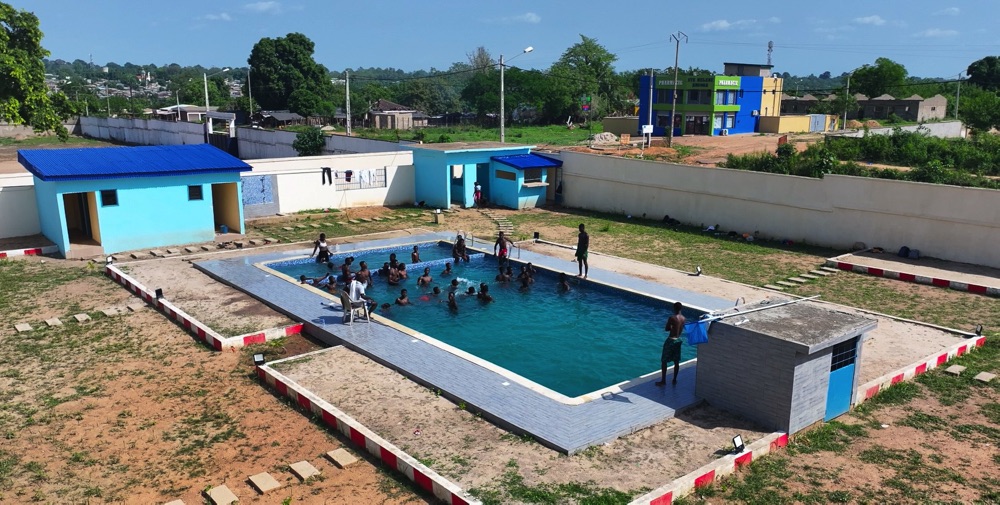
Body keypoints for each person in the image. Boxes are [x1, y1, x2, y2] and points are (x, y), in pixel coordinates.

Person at [656, 302, 686, 386]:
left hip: (671, 340)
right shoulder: (684, 318)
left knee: (664, 361)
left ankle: (663, 381)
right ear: (681, 308)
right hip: (678, 340)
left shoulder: (672, 318)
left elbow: (666, 328)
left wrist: (671, 327)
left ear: (674, 308)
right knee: (676, 361)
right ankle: (674, 379)